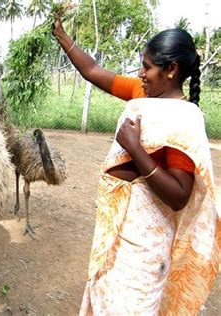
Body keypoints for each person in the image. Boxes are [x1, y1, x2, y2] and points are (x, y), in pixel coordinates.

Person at [53, 13, 219, 315]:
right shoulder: (142, 93)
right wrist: (63, 37)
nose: (140, 73)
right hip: (120, 235)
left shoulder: (185, 120)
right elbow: (92, 70)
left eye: (147, 67)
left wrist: (134, 148)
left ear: (171, 70)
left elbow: (180, 195)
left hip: (146, 250)